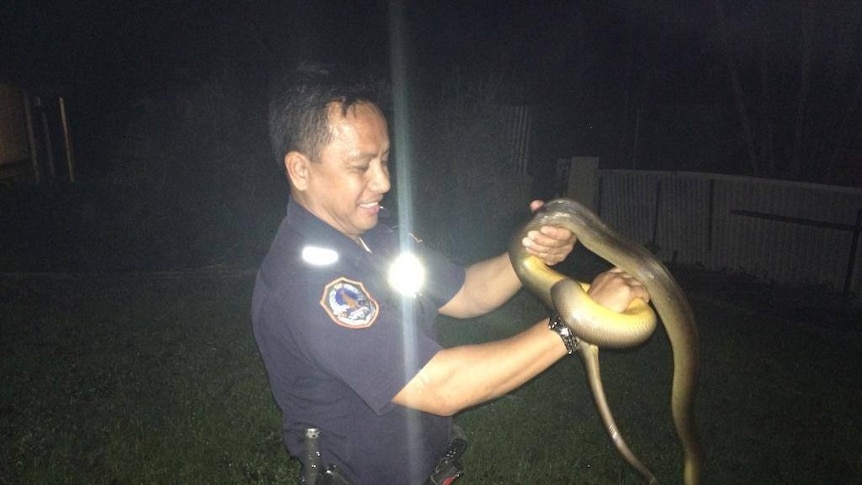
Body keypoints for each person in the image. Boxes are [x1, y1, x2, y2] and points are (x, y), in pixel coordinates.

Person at [251, 65, 649, 485]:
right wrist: (577, 321)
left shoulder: (381, 239)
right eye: (360, 167)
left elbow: (468, 292)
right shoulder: (304, 282)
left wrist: (530, 252)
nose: (383, 181)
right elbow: (441, 386)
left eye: (384, 160)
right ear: (300, 170)